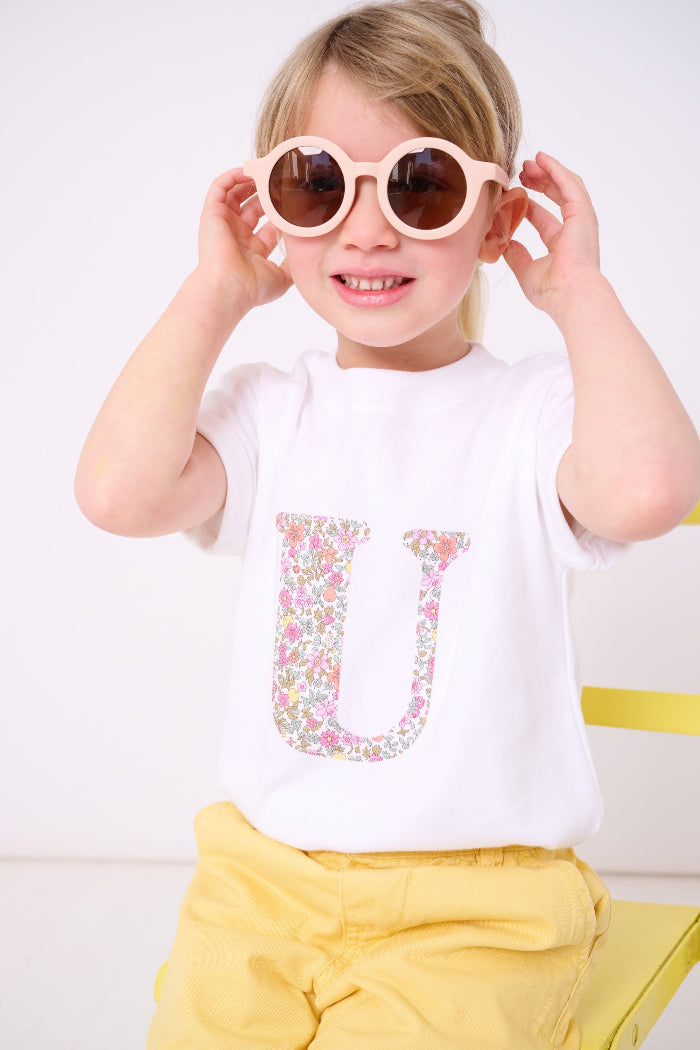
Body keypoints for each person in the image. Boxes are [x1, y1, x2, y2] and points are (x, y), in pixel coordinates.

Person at [75, 1, 700, 1047]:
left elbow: (648, 492)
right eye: (319, 182)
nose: (367, 227)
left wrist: (578, 292)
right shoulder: (272, 409)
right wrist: (215, 291)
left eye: (421, 184)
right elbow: (117, 494)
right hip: (262, 878)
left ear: (497, 217)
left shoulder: (532, 411)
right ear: (274, 207)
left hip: (480, 906)